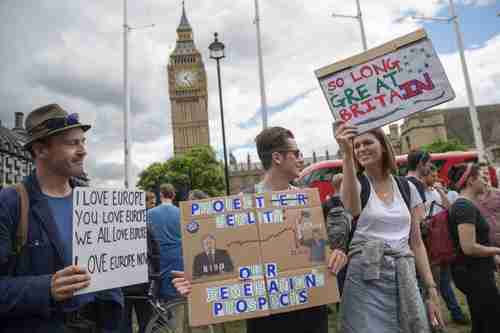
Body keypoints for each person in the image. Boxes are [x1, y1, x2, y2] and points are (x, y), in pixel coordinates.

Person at [173, 126, 348, 333]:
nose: (301, 159)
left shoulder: (306, 200)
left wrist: (335, 255)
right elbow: (225, 258)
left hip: (309, 311)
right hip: (266, 319)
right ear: (277, 158)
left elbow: (315, 251)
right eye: (296, 153)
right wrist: (195, 282)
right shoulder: (241, 203)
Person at [0, 104, 123, 332]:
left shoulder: (96, 203)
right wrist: (46, 288)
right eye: (72, 143)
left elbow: (111, 280)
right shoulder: (10, 203)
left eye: (83, 141)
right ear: (40, 150)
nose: (83, 150)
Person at [334, 121, 442, 333]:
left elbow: (416, 243)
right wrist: (346, 155)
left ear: (383, 145)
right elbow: (353, 209)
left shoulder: (407, 186)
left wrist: (430, 287)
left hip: (403, 275)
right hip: (365, 278)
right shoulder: (356, 184)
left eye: (367, 142)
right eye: (357, 146)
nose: (361, 148)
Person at [447, 163, 500, 332]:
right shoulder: (464, 206)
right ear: (470, 181)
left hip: (476, 271)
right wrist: (497, 250)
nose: (486, 181)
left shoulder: (465, 204)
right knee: (490, 321)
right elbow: (468, 247)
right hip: (475, 274)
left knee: (482, 321)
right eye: (482, 177)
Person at [422, 170, 469, 325]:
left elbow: (450, 209)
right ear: (423, 176)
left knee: (444, 281)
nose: (436, 179)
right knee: (433, 284)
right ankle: (438, 318)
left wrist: (441, 191)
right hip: (429, 244)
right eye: (432, 176)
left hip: (442, 242)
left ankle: (454, 313)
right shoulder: (419, 193)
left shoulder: (436, 192)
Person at [121, 191, 160, 333]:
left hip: (122, 283)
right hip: (143, 280)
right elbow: (155, 253)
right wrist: (155, 275)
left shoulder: (114, 230)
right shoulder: (146, 226)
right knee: (145, 321)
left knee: (124, 322)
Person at [148, 183, 183, 299]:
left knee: (158, 296)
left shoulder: (149, 214)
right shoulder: (182, 213)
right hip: (177, 258)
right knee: (177, 294)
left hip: (158, 259)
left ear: (160, 195)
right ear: (173, 196)